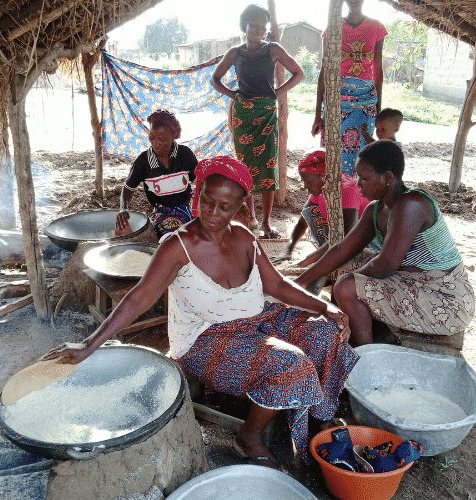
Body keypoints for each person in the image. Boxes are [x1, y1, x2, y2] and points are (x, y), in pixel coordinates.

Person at [44, 156, 358, 470]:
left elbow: (275, 284)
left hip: (259, 319)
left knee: (324, 330)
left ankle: (318, 413)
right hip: (205, 341)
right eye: (207, 202)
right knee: (291, 363)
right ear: (199, 195)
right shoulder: (177, 247)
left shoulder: (245, 238)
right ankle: (247, 439)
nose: (213, 214)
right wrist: (89, 345)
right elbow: (139, 298)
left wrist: (325, 306)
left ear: (239, 207)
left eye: (224, 207)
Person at [295, 141, 475, 346]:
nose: (358, 183)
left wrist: (347, 284)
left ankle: (365, 353)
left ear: (388, 177)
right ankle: (350, 327)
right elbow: (343, 248)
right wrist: (301, 280)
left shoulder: (412, 204)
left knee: (346, 286)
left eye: (364, 178)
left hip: (444, 298)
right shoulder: (376, 209)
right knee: (345, 265)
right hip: (409, 280)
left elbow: (385, 265)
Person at [211, 4, 304, 239]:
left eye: (262, 27)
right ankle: (250, 218)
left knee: (268, 166)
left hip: (267, 114)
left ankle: (266, 223)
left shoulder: (273, 49)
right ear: (245, 27)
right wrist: (233, 95)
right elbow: (215, 79)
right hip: (243, 115)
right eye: (254, 27)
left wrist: (278, 91)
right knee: (245, 166)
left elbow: (299, 73)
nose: (258, 32)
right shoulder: (235, 52)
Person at [311, 0, 387, 177]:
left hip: (366, 102)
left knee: (365, 155)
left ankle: (359, 201)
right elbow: (325, 70)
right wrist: (317, 114)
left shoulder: (376, 28)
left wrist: (378, 108)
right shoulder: (333, 28)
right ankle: (340, 198)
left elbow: (378, 69)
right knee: (336, 157)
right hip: (337, 102)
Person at [272, 149, 370, 268]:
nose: (305, 187)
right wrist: (287, 251)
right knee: (310, 212)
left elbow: (345, 238)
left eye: (308, 182)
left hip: (364, 240)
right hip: (339, 238)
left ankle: (333, 258)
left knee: (342, 257)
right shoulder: (322, 190)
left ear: (323, 176)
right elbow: (302, 224)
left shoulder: (347, 190)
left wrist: (306, 262)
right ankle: (327, 253)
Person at [117, 110, 198, 238]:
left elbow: (200, 181)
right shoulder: (144, 161)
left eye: (162, 139)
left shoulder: (185, 155)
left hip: (187, 210)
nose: (156, 143)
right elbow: (128, 188)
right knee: (172, 240)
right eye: (151, 138)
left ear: (174, 135)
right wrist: (123, 208)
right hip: (162, 213)